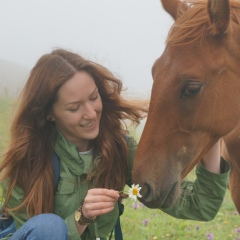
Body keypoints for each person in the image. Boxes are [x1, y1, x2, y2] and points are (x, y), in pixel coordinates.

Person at [0, 48, 230, 240]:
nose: (91, 113)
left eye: (93, 97)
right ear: (49, 114)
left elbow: (201, 205)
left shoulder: (118, 148)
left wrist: (212, 129)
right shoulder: (27, 163)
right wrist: (81, 217)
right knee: (49, 228)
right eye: (74, 108)